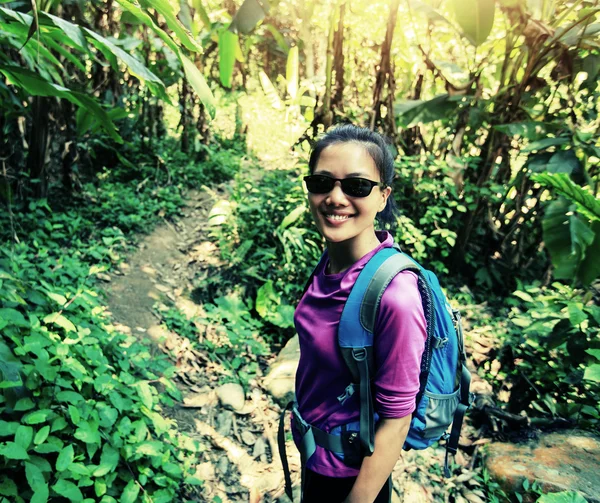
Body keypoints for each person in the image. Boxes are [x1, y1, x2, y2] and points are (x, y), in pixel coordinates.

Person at [292, 124, 427, 503]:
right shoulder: (331, 261)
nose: (335, 197)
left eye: (356, 186)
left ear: (383, 197)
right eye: (322, 182)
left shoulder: (395, 296)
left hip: (350, 477)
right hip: (316, 456)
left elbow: (397, 421)